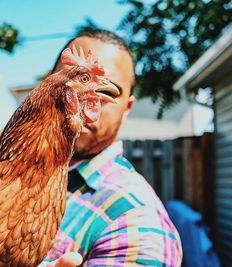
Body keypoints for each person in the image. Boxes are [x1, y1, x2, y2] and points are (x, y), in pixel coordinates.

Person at [41, 29, 183, 266]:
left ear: (127, 108)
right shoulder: (4, 169)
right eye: (71, 82)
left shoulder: (136, 224)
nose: (81, 101)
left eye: (106, 92)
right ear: (48, 82)